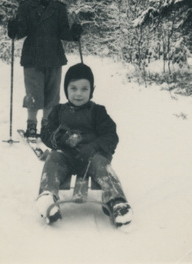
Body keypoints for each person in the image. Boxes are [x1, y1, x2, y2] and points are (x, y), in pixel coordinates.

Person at [36, 63, 133, 226]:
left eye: (84, 89)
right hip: (66, 157)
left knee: (103, 166)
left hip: (92, 158)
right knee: (52, 159)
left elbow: (110, 135)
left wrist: (94, 147)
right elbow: (46, 134)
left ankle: (117, 202)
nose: (78, 94)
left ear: (91, 90)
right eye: (73, 88)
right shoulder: (58, 111)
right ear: (66, 89)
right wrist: (62, 138)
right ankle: (47, 197)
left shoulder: (98, 112)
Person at [7, 0, 82, 138]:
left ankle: (46, 126)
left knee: (52, 95)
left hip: (54, 56)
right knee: (33, 93)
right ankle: (31, 125)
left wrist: (74, 33)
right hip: (32, 57)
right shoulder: (26, 7)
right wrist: (13, 29)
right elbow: (21, 31)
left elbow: (64, 32)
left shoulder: (59, 8)